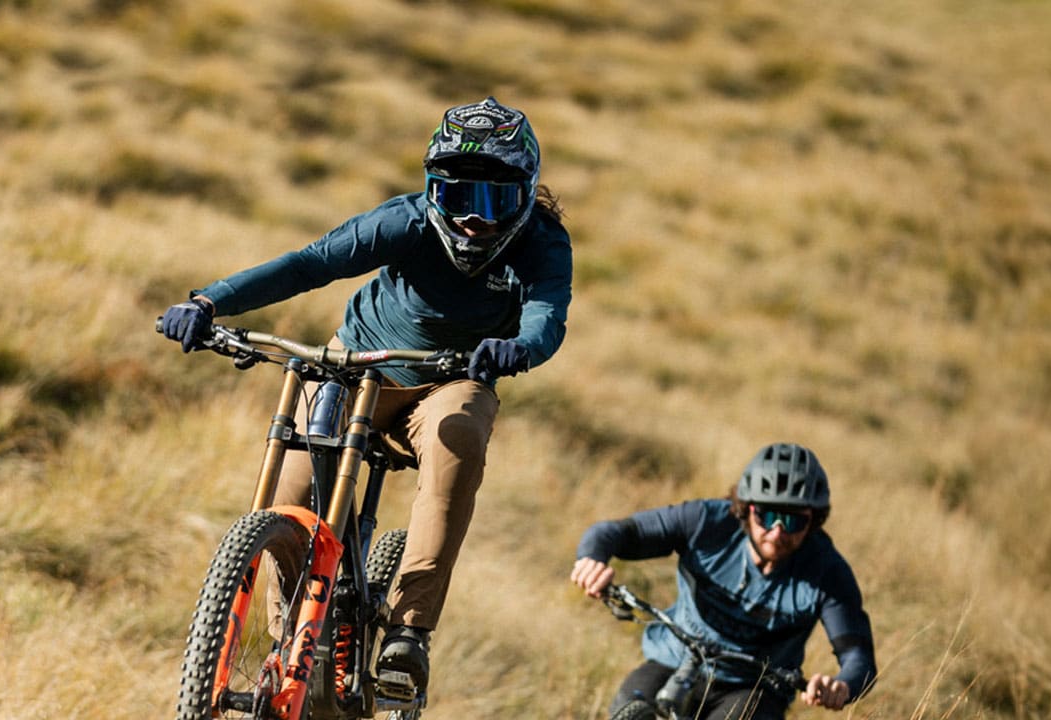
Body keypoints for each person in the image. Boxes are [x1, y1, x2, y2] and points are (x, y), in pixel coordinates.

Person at [160, 97, 572, 695]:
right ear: (433, 190)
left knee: (459, 437)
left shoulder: (542, 242)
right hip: (359, 367)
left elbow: (546, 315)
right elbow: (309, 264)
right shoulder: (402, 223)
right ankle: (294, 642)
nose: (473, 221)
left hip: (453, 377)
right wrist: (208, 302)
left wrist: (520, 349)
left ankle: (408, 635)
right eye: (458, 197)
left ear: (525, 192)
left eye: (495, 202)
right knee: (291, 492)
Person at [570, 442, 877, 719]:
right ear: (747, 507)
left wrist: (842, 685)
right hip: (674, 661)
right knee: (627, 709)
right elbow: (612, 533)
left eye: (795, 520)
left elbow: (859, 658)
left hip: (752, 687)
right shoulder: (705, 523)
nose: (778, 532)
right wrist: (592, 560)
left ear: (815, 519)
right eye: (768, 517)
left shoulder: (827, 571)